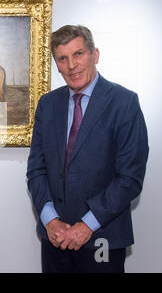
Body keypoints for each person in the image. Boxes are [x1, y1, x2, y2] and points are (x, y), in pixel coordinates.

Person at [26, 25, 149, 273]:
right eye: (62, 58)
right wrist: (50, 220)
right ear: (57, 65)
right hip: (55, 241)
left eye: (78, 54)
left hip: (103, 239)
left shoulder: (124, 103)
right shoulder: (47, 105)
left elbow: (129, 179)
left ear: (95, 55)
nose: (71, 65)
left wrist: (86, 226)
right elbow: (36, 170)